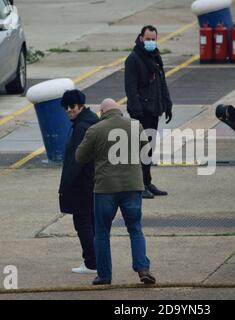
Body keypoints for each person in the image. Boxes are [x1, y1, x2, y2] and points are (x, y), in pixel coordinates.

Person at [76, 98, 156, 285]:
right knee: (135, 229)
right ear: (118, 111)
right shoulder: (136, 126)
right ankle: (142, 268)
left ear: (102, 112)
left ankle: (104, 275)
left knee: (102, 232)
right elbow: (147, 153)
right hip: (132, 187)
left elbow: (80, 156)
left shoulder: (95, 129)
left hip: (105, 189)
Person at [125, 25, 173, 199]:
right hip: (141, 113)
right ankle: (140, 184)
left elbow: (162, 83)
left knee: (149, 149)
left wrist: (168, 104)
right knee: (141, 149)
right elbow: (130, 88)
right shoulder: (133, 59)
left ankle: (147, 181)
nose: (151, 42)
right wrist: (137, 112)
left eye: (154, 39)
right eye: (148, 39)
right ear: (141, 38)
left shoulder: (155, 57)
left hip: (154, 110)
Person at [59, 89, 99, 273]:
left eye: (72, 106)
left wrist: (65, 186)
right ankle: (96, 260)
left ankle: (91, 262)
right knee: (90, 222)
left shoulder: (81, 127)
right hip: (93, 181)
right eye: (66, 107)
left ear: (81, 105)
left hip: (82, 184)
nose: (69, 110)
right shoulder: (90, 122)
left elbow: (76, 160)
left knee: (82, 222)